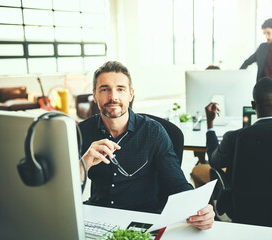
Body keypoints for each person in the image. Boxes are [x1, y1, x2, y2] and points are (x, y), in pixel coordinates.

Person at [78, 61, 214, 230]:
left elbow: (176, 182)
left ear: (131, 94)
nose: (113, 97)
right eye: (105, 89)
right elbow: (65, 191)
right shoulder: (81, 132)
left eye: (120, 89)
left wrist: (199, 209)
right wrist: (83, 164)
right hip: (97, 216)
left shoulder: (153, 131)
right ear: (95, 95)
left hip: (143, 219)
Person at [198, 77, 272, 218]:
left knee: (198, 171)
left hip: (245, 208)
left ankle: (210, 220)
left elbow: (214, 161)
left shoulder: (235, 137)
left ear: (253, 105)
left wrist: (210, 124)